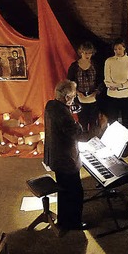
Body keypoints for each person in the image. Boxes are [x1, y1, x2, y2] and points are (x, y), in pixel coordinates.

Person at [43, 80, 87, 231]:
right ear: (67, 97)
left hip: (55, 156)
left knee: (64, 190)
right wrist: (79, 123)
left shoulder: (51, 105)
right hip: (66, 160)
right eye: (73, 96)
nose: (74, 99)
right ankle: (74, 223)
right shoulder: (63, 114)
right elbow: (77, 134)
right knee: (76, 192)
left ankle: (63, 220)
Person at [67, 42, 102, 137]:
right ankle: (84, 142)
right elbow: (70, 83)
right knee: (83, 122)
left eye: (89, 53)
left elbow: (101, 81)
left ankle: (94, 143)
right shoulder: (74, 66)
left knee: (94, 122)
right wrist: (78, 93)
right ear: (81, 52)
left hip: (93, 98)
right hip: (80, 99)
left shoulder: (95, 65)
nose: (87, 55)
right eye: (85, 53)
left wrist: (96, 92)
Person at [103, 38, 128, 132]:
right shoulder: (109, 61)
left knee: (126, 121)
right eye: (115, 49)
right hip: (112, 96)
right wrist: (111, 86)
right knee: (112, 121)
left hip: (127, 96)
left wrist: (119, 86)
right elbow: (107, 79)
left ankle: (126, 143)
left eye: (119, 48)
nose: (117, 51)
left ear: (124, 48)